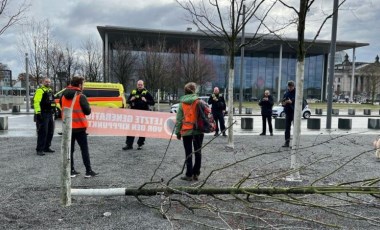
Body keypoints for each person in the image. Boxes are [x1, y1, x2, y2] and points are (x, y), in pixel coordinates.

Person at [60, 76, 98, 178]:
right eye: (83, 84)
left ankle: (71, 171)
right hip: (80, 128)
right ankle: (88, 171)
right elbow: (88, 111)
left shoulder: (63, 95)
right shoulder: (81, 96)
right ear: (80, 85)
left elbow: (62, 108)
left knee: (70, 150)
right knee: (84, 149)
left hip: (68, 128)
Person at [175, 82, 204, 181]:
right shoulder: (198, 101)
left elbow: (179, 119)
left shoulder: (182, 103)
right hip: (198, 130)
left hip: (187, 130)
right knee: (198, 152)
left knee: (188, 152)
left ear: (185, 91)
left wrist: (178, 132)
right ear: (194, 90)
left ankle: (189, 174)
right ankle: (196, 173)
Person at [122, 80, 155, 150]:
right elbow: (128, 101)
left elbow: (153, 102)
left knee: (142, 130)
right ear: (137, 85)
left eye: (141, 85)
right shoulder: (133, 92)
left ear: (143, 85)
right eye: (138, 84)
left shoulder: (146, 93)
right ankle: (129, 145)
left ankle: (140, 144)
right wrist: (131, 99)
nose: (139, 86)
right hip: (134, 114)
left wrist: (146, 100)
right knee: (131, 129)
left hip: (143, 115)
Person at [34, 77, 56, 156]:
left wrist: (54, 109)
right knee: (43, 132)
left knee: (50, 131)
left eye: (49, 82)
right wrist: (38, 112)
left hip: (50, 114)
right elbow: (36, 102)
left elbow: (53, 101)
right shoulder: (40, 90)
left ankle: (47, 147)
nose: (48, 83)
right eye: (46, 82)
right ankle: (39, 149)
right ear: (43, 82)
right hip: (43, 113)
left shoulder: (50, 90)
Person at [282, 80, 296, 147]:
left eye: (291, 87)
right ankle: (287, 142)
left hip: (295, 112)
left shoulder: (297, 92)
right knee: (287, 128)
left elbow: (299, 101)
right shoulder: (286, 93)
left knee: (295, 128)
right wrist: (284, 103)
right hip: (288, 112)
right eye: (289, 87)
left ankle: (295, 142)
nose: (290, 88)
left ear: (293, 86)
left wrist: (292, 102)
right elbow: (283, 101)